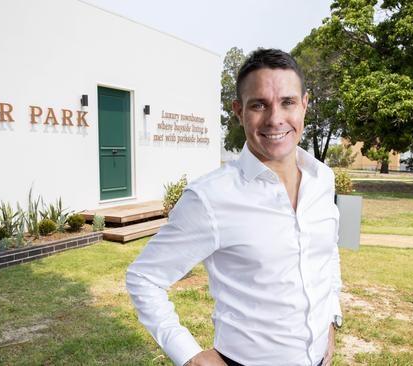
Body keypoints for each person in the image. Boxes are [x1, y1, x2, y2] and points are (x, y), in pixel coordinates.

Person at [126, 48, 342, 366]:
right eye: (259, 105)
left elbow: (326, 256)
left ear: (305, 105)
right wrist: (189, 355)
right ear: (239, 111)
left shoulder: (323, 178)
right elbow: (144, 278)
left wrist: (330, 318)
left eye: (288, 102)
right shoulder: (210, 198)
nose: (275, 118)